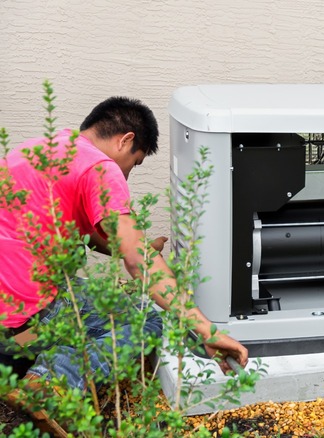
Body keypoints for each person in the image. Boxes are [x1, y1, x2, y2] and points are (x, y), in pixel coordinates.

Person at [0, 97, 249, 430]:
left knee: (108, 299)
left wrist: (138, 244)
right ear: (126, 140)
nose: (128, 175)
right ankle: (49, 382)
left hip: (10, 293)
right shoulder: (99, 167)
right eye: (136, 162)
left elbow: (107, 237)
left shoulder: (43, 149)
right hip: (21, 308)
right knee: (150, 320)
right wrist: (206, 329)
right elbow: (138, 262)